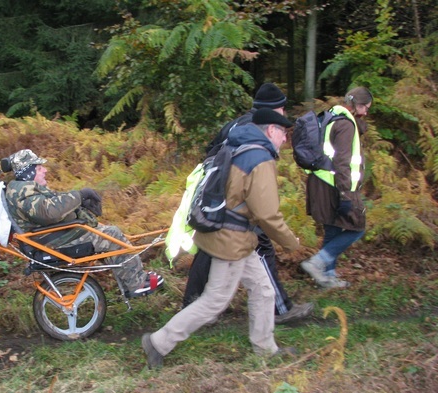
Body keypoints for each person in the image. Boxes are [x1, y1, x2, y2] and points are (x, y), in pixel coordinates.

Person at [141, 109, 300, 368]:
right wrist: (292, 242)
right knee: (215, 301)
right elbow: (267, 213)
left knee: (263, 289)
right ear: (271, 130)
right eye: (283, 133)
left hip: (232, 236)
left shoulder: (240, 146)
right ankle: (158, 342)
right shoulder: (260, 158)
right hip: (231, 241)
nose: (285, 139)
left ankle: (266, 349)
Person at [183, 83, 313, 324]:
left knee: (210, 248)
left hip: (216, 200)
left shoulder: (237, 123)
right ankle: (280, 309)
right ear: (275, 111)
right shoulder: (257, 129)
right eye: (282, 109)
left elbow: (210, 153)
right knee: (263, 248)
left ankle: (192, 302)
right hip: (237, 205)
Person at [3, 149, 164, 298]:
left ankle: (132, 280)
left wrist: (79, 204)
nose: (44, 170)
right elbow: (48, 212)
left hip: (57, 236)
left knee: (107, 232)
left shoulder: (23, 189)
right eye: (39, 168)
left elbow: (51, 205)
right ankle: (136, 283)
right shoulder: (23, 191)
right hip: (53, 242)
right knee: (111, 235)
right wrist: (79, 196)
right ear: (28, 172)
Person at [300, 87, 372, 289]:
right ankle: (317, 263)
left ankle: (328, 277)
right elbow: (342, 161)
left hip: (323, 183)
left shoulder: (332, 117)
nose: (366, 112)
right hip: (335, 185)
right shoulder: (346, 125)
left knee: (332, 228)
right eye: (365, 107)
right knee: (357, 227)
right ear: (356, 104)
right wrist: (345, 194)